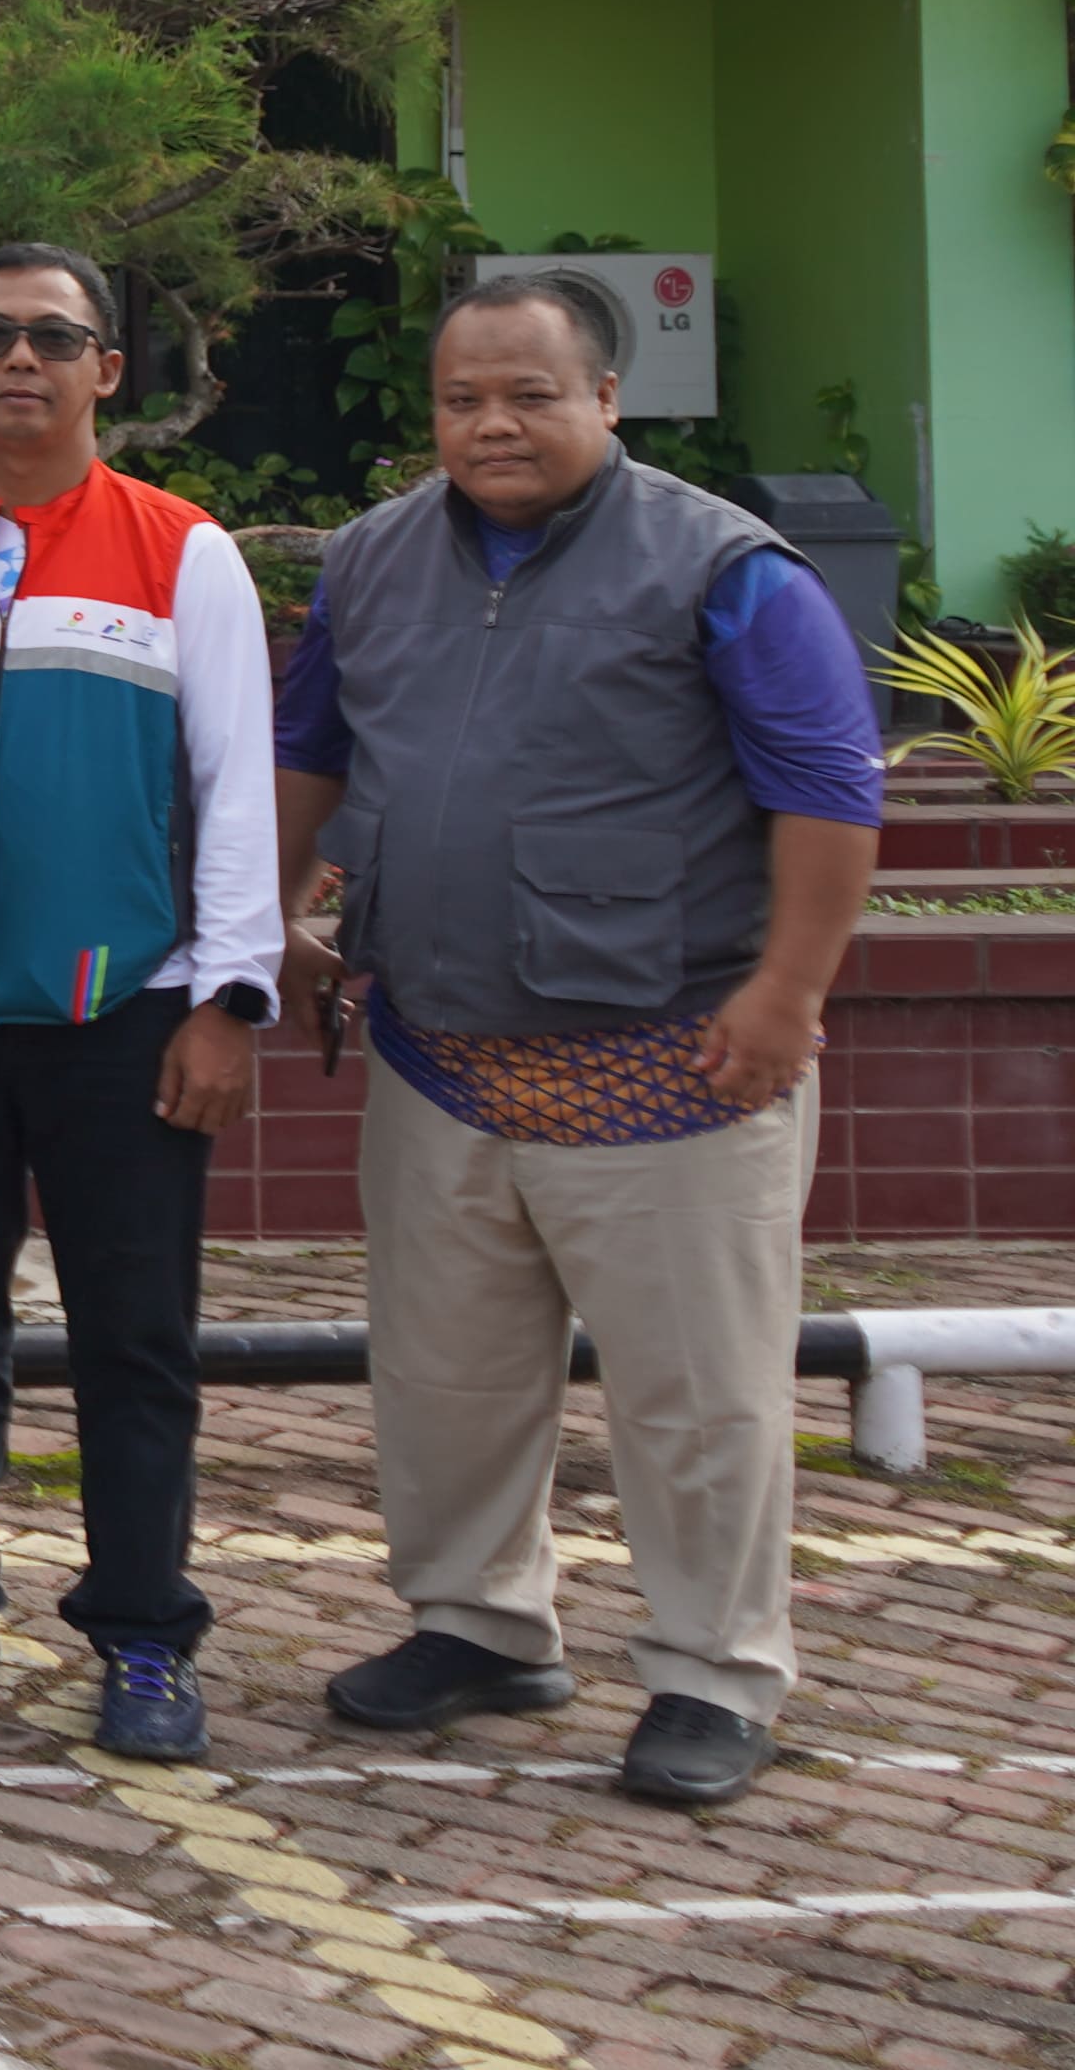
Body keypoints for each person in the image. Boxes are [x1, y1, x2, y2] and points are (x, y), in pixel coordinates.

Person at [275, 273, 881, 1814]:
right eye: (462, 398)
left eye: (531, 394)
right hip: (440, 1051)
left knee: (699, 1400)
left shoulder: (727, 571)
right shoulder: (369, 559)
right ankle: (478, 1624)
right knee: (448, 1377)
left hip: (677, 1058)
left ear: (608, 398)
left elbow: (828, 789)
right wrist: (274, 910)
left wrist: (790, 992)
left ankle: (713, 1671)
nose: (494, 423)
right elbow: (310, 749)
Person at [0, 247, 281, 1765]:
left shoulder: (184, 551)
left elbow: (236, 787)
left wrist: (229, 998)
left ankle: (146, 1628)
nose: (21, 361)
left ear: (109, 367)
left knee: (135, 1337)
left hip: (127, 1016)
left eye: (55, 337)